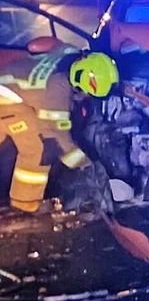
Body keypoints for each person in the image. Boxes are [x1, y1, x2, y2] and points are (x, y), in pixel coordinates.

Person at [0, 49, 118, 213]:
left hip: (11, 85)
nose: (86, 98)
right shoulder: (56, 92)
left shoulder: (71, 54)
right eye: (87, 94)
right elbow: (56, 138)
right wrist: (84, 165)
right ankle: (25, 204)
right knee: (37, 149)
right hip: (6, 99)